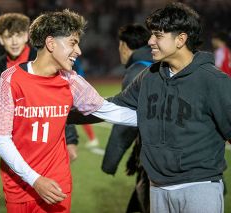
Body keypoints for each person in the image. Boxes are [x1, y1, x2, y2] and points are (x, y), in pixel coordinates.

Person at [0, 9, 137, 212]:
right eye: (72, 42)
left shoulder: (71, 80)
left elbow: (107, 110)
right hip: (20, 186)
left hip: (57, 183)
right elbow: (1, 140)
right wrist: (35, 180)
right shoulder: (10, 79)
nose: (78, 51)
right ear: (51, 43)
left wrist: (156, 120)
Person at [109, 3, 228, 213]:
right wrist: (67, 109)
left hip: (199, 188)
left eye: (157, 35)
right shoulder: (150, 75)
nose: (150, 41)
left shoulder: (214, 81)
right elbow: (116, 105)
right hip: (157, 188)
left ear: (181, 39)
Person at [0, 13, 79, 157]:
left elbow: (60, 100)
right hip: (17, 140)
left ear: (26, 36)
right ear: (0, 39)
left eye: (18, 35)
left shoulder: (41, 59)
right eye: (9, 36)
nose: (14, 41)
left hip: (48, 138)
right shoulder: (1, 66)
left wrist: (70, 139)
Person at [102, 24, 152, 213]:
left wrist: (110, 162)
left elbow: (126, 119)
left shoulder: (136, 71)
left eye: (119, 46)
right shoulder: (160, 63)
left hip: (153, 162)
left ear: (124, 46)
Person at [73, 58, 99, 148]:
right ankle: (92, 138)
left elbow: (79, 72)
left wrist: (77, 82)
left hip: (74, 88)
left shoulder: (72, 59)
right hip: (73, 87)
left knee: (81, 112)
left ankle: (92, 138)